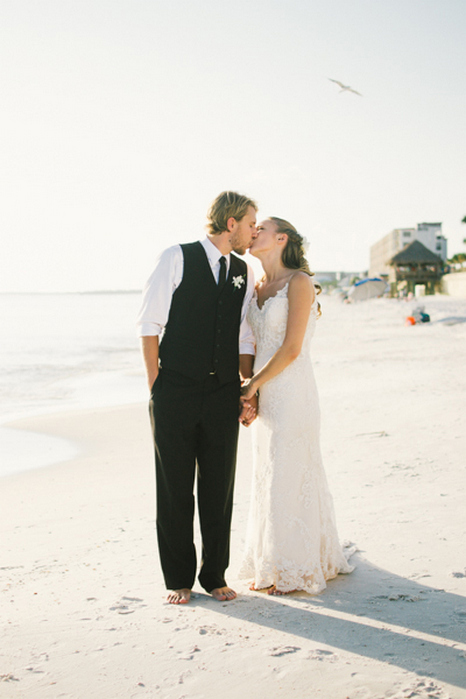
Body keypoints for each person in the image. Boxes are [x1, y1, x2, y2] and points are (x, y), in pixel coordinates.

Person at [137, 191, 258, 605]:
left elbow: (242, 332)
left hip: (223, 393)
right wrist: (157, 385)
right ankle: (178, 578)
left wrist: (247, 385)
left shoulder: (242, 269)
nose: (254, 230)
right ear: (231, 223)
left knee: (218, 487)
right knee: (174, 487)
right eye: (250, 222)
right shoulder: (176, 257)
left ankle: (214, 574)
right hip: (176, 390)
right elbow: (150, 323)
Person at [240, 217, 353, 595]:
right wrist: (250, 390)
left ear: (281, 239)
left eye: (262, 228)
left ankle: (296, 566)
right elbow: (250, 345)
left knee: (290, 472)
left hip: (293, 391)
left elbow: (291, 349)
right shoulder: (256, 286)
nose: (253, 232)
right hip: (264, 395)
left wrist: (252, 385)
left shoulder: (299, 282)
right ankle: (273, 560)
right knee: (268, 473)